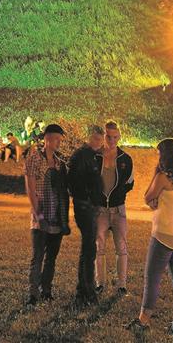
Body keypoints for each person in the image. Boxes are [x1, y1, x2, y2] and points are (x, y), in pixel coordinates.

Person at [124, 138, 173, 334]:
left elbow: (148, 196)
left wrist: (154, 192)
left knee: (152, 276)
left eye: (158, 153)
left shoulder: (163, 177)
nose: (156, 156)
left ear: (164, 155)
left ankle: (143, 320)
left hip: (163, 235)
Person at [24, 123, 71, 306]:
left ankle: (47, 290)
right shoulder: (35, 157)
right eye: (56, 139)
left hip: (57, 217)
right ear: (47, 138)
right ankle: (33, 294)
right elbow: (30, 187)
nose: (58, 142)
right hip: (41, 216)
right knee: (38, 256)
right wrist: (38, 214)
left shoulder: (60, 163)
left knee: (52, 257)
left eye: (60, 139)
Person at [95, 120, 134, 294]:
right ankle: (100, 283)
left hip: (118, 209)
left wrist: (118, 196)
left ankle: (122, 285)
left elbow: (129, 183)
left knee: (122, 248)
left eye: (114, 137)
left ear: (119, 137)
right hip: (100, 210)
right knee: (99, 248)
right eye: (108, 137)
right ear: (104, 136)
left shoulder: (125, 159)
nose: (111, 140)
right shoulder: (95, 157)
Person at [68, 125, 104, 307]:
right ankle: (87, 291)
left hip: (89, 206)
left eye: (101, 139)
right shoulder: (82, 156)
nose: (100, 142)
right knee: (89, 249)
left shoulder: (89, 155)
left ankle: (84, 288)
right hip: (85, 207)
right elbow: (75, 182)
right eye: (96, 139)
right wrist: (88, 199)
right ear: (89, 137)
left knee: (88, 248)